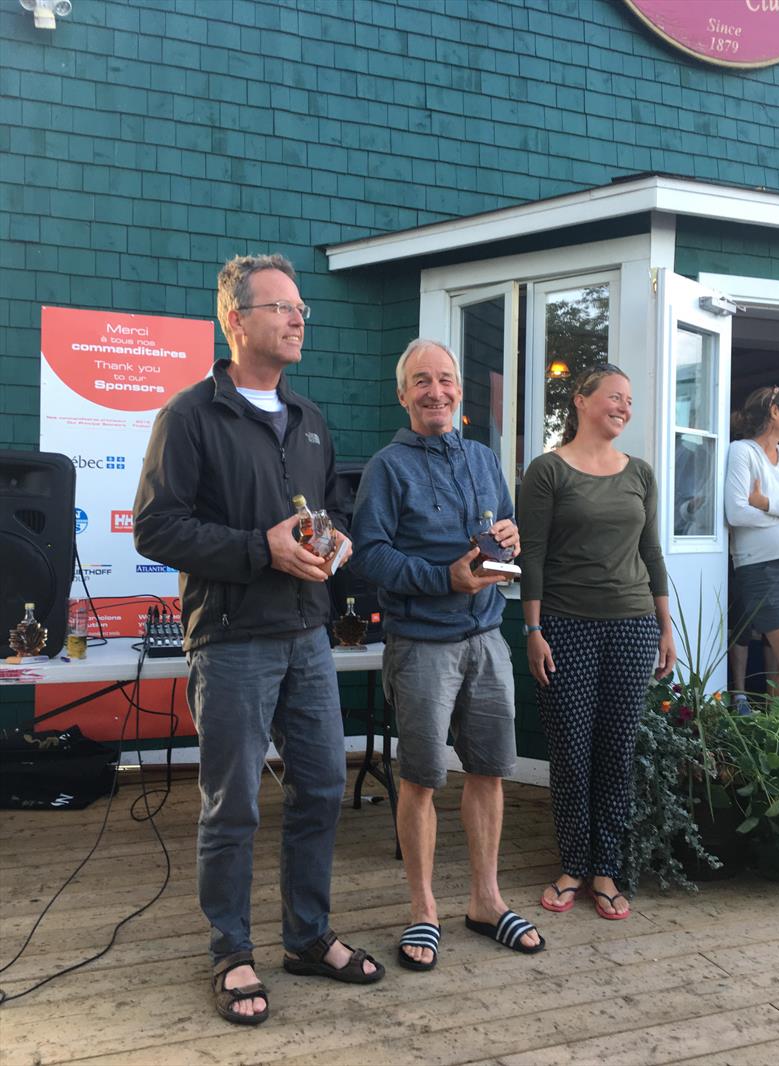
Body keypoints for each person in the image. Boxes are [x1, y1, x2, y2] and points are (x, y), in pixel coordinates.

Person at [133, 253, 384, 1027]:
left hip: (308, 634)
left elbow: (318, 516)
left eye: (301, 307)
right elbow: (156, 526)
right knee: (232, 804)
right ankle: (231, 950)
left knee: (318, 789)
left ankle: (307, 936)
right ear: (236, 321)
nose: (298, 317)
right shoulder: (189, 417)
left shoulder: (308, 420)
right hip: (232, 640)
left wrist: (329, 543)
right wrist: (259, 549)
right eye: (281, 307)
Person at [350, 338, 544, 973]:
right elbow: (370, 554)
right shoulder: (387, 467)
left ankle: (486, 901)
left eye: (447, 379)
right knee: (422, 778)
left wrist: (511, 538)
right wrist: (444, 580)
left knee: (489, 771)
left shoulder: (485, 459)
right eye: (422, 381)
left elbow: (506, 532)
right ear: (402, 394)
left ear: (460, 389)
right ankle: (424, 910)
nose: (437, 391)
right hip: (422, 644)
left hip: (487, 638)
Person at [518, 364, 676, 921]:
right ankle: (573, 866)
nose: (624, 408)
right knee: (571, 750)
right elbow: (530, 555)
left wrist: (665, 623)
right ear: (581, 401)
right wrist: (532, 630)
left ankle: (606, 870)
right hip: (564, 625)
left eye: (629, 401)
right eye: (614, 397)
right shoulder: (547, 471)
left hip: (633, 624)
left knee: (616, 751)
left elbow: (651, 553)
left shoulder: (641, 473)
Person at [724, 386, 779, 709]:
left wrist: (765, 502)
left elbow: (754, 506)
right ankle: (769, 740)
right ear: (773, 411)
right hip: (764, 570)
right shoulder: (743, 452)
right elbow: (737, 512)